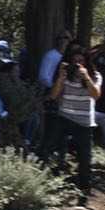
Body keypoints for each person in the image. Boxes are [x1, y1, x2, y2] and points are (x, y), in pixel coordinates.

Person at [44, 45, 102, 204]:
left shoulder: (95, 75)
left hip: (84, 122)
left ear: (86, 62)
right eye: (74, 61)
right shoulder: (66, 75)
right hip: (65, 117)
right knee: (49, 148)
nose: (77, 64)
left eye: (81, 61)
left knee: (84, 158)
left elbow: (96, 95)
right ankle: (45, 181)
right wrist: (61, 77)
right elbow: (53, 95)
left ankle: (84, 191)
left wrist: (86, 77)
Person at [36, 30, 72, 161]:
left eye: (67, 38)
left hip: (66, 97)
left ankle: (60, 157)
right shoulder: (51, 56)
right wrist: (54, 89)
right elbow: (43, 77)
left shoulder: (68, 57)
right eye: (62, 38)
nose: (65, 41)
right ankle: (44, 156)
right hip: (51, 95)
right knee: (51, 126)